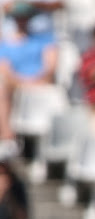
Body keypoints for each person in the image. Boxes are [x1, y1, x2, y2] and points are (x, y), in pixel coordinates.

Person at [0, 1, 57, 154]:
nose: (22, 20)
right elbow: (5, 71)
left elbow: (50, 66)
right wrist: (22, 82)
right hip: (17, 85)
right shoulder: (6, 44)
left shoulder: (44, 40)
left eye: (24, 17)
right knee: (2, 91)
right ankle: (8, 137)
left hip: (39, 85)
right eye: (19, 17)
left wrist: (35, 81)